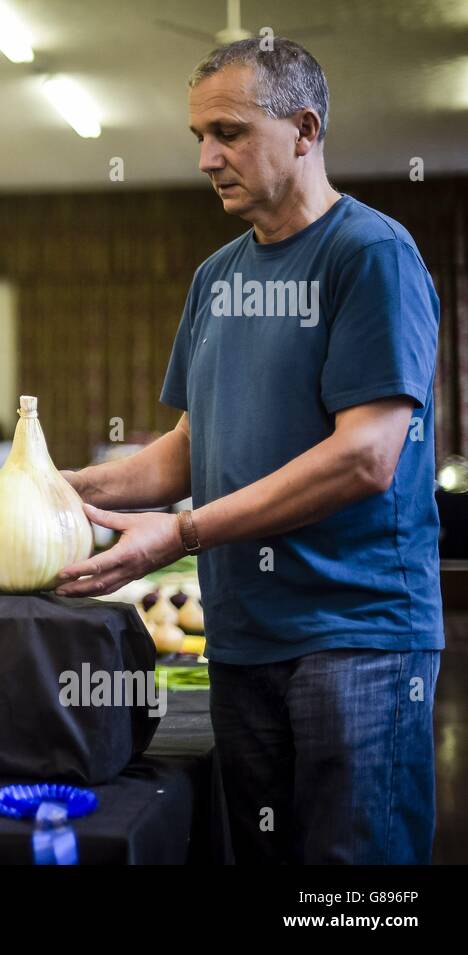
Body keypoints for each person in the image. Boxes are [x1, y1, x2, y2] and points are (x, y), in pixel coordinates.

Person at [56, 39, 441, 864]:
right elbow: (187, 450)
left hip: (358, 637)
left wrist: (182, 533)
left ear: (304, 130)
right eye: (199, 135)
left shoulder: (371, 255)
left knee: (353, 885)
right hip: (242, 638)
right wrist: (59, 487)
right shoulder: (214, 278)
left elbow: (366, 455)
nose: (205, 158)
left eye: (228, 132)